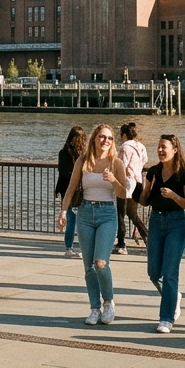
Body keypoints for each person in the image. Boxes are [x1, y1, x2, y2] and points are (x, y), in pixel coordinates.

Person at [54, 124, 127, 325]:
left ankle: (109, 302)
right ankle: (94, 308)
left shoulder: (116, 163)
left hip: (107, 213)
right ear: (94, 138)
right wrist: (63, 211)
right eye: (102, 137)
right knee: (88, 266)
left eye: (110, 138)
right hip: (85, 212)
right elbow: (70, 189)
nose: (106, 141)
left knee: (100, 263)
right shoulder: (83, 160)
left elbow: (123, 193)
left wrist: (113, 180)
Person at [139, 134, 185, 333]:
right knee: (154, 272)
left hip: (177, 223)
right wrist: (147, 188)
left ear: (175, 150)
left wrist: (174, 196)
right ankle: (173, 296)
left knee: (170, 272)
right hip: (156, 221)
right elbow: (144, 201)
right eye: (159, 147)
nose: (160, 150)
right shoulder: (153, 171)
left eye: (164, 147)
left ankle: (166, 318)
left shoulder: (183, 173)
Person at [115, 122, 149, 255]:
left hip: (127, 182)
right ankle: (147, 237)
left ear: (124, 135)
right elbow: (144, 160)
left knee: (120, 214)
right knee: (133, 214)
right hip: (138, 181)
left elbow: (121, 165)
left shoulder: (125, 146)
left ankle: (121, 244)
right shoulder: (141, 146)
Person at [56, 126, 85, 259]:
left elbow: (62, 172)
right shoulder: (83, 155)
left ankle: (69, 247)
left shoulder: (63, 152)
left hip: (65, 189)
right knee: (82, 219)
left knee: (70, 218)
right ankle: (83, 246)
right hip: (79, 189)